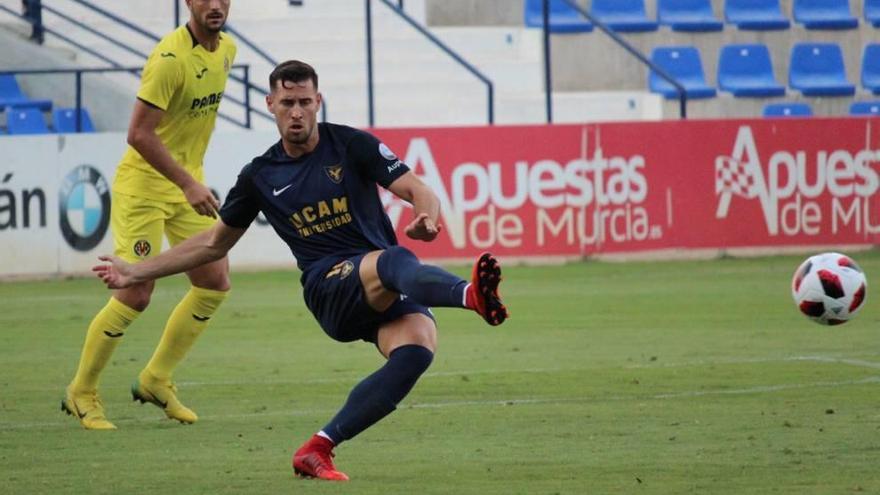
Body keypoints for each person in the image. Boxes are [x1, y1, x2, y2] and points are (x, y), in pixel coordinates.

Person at [93, 59, 508, 480]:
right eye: (287, 102)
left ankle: (318, 448)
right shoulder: (260, 176)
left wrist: (428, 219)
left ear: (318, 102)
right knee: (396, 259)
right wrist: (137, 272)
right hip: (329, 289)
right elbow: (213, 243)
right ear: (270, 104)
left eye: (305, 102)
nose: (297, 112)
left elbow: (418, 189)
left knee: (416, 350)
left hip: (380, 282)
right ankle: (471, 296)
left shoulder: (351, 145)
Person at [62, 0, 237, 430]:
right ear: (188, 3)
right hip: (146, 187)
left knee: (214, 283)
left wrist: (190, 181)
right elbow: (139, 133)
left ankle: (156, 378)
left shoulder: (227, 50)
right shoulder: (169, 59)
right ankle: (81, 390)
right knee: (136, 291)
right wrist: (187, 182)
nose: (215, 5)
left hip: (185, 185)